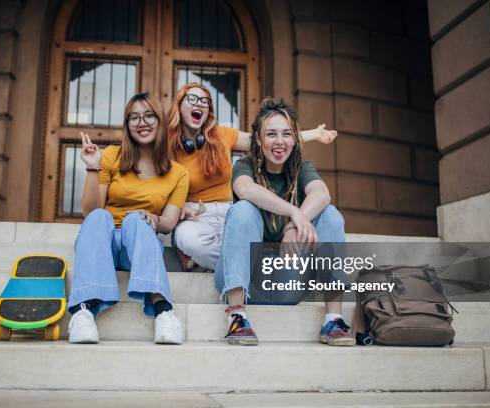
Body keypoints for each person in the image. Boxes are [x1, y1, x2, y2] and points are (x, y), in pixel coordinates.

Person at [215, 98, 355, 347]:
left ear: (294, 139)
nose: (279, 141)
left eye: (286, 134)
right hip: (245, 279)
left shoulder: (301, 168)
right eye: (271, 134)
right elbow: (245, 190)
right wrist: (294, 212)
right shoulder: (245, 166)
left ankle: (333, 319)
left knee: (331, 214)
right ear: (258, 139)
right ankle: (237, 316)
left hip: (286, 281)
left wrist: (293, 224)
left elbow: (321, 194)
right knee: (243, 210)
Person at [167, 83, 337, 271]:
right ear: (179, 105)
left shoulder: (222, 135)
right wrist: (176, 206)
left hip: (227, 213)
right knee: (191, 242)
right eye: (192, 99)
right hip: (195, 216)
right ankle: (255, 267)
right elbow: (158, 183)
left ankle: (225, 265)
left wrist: (315, 134)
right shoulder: (166, 145)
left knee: (244, 241)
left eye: (205, 101)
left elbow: (269, 139)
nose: (199, 104)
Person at [68, 93, 188, 345]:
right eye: (134, 117)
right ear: (127, 124)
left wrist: (152, 218)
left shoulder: (178, 173)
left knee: (137, 220)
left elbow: (168, 223)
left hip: (140, 243)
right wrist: (92, 168)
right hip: (106, 242)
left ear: (161, 121)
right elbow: (91, 212)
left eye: (148, 116)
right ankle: (83, 311)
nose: (141, 122)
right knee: (100, 217)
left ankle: (163, 311)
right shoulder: (112, 155)